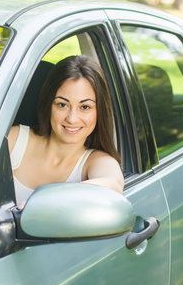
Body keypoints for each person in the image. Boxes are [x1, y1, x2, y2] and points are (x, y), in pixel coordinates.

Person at [8, 55, 124, 208]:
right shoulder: (15, 139)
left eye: (85, 107)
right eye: (62, 105)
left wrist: (39, 203)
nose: (72, 119)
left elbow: (112, 184)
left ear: (99, 111)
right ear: (49, 104)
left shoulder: (96, 162)